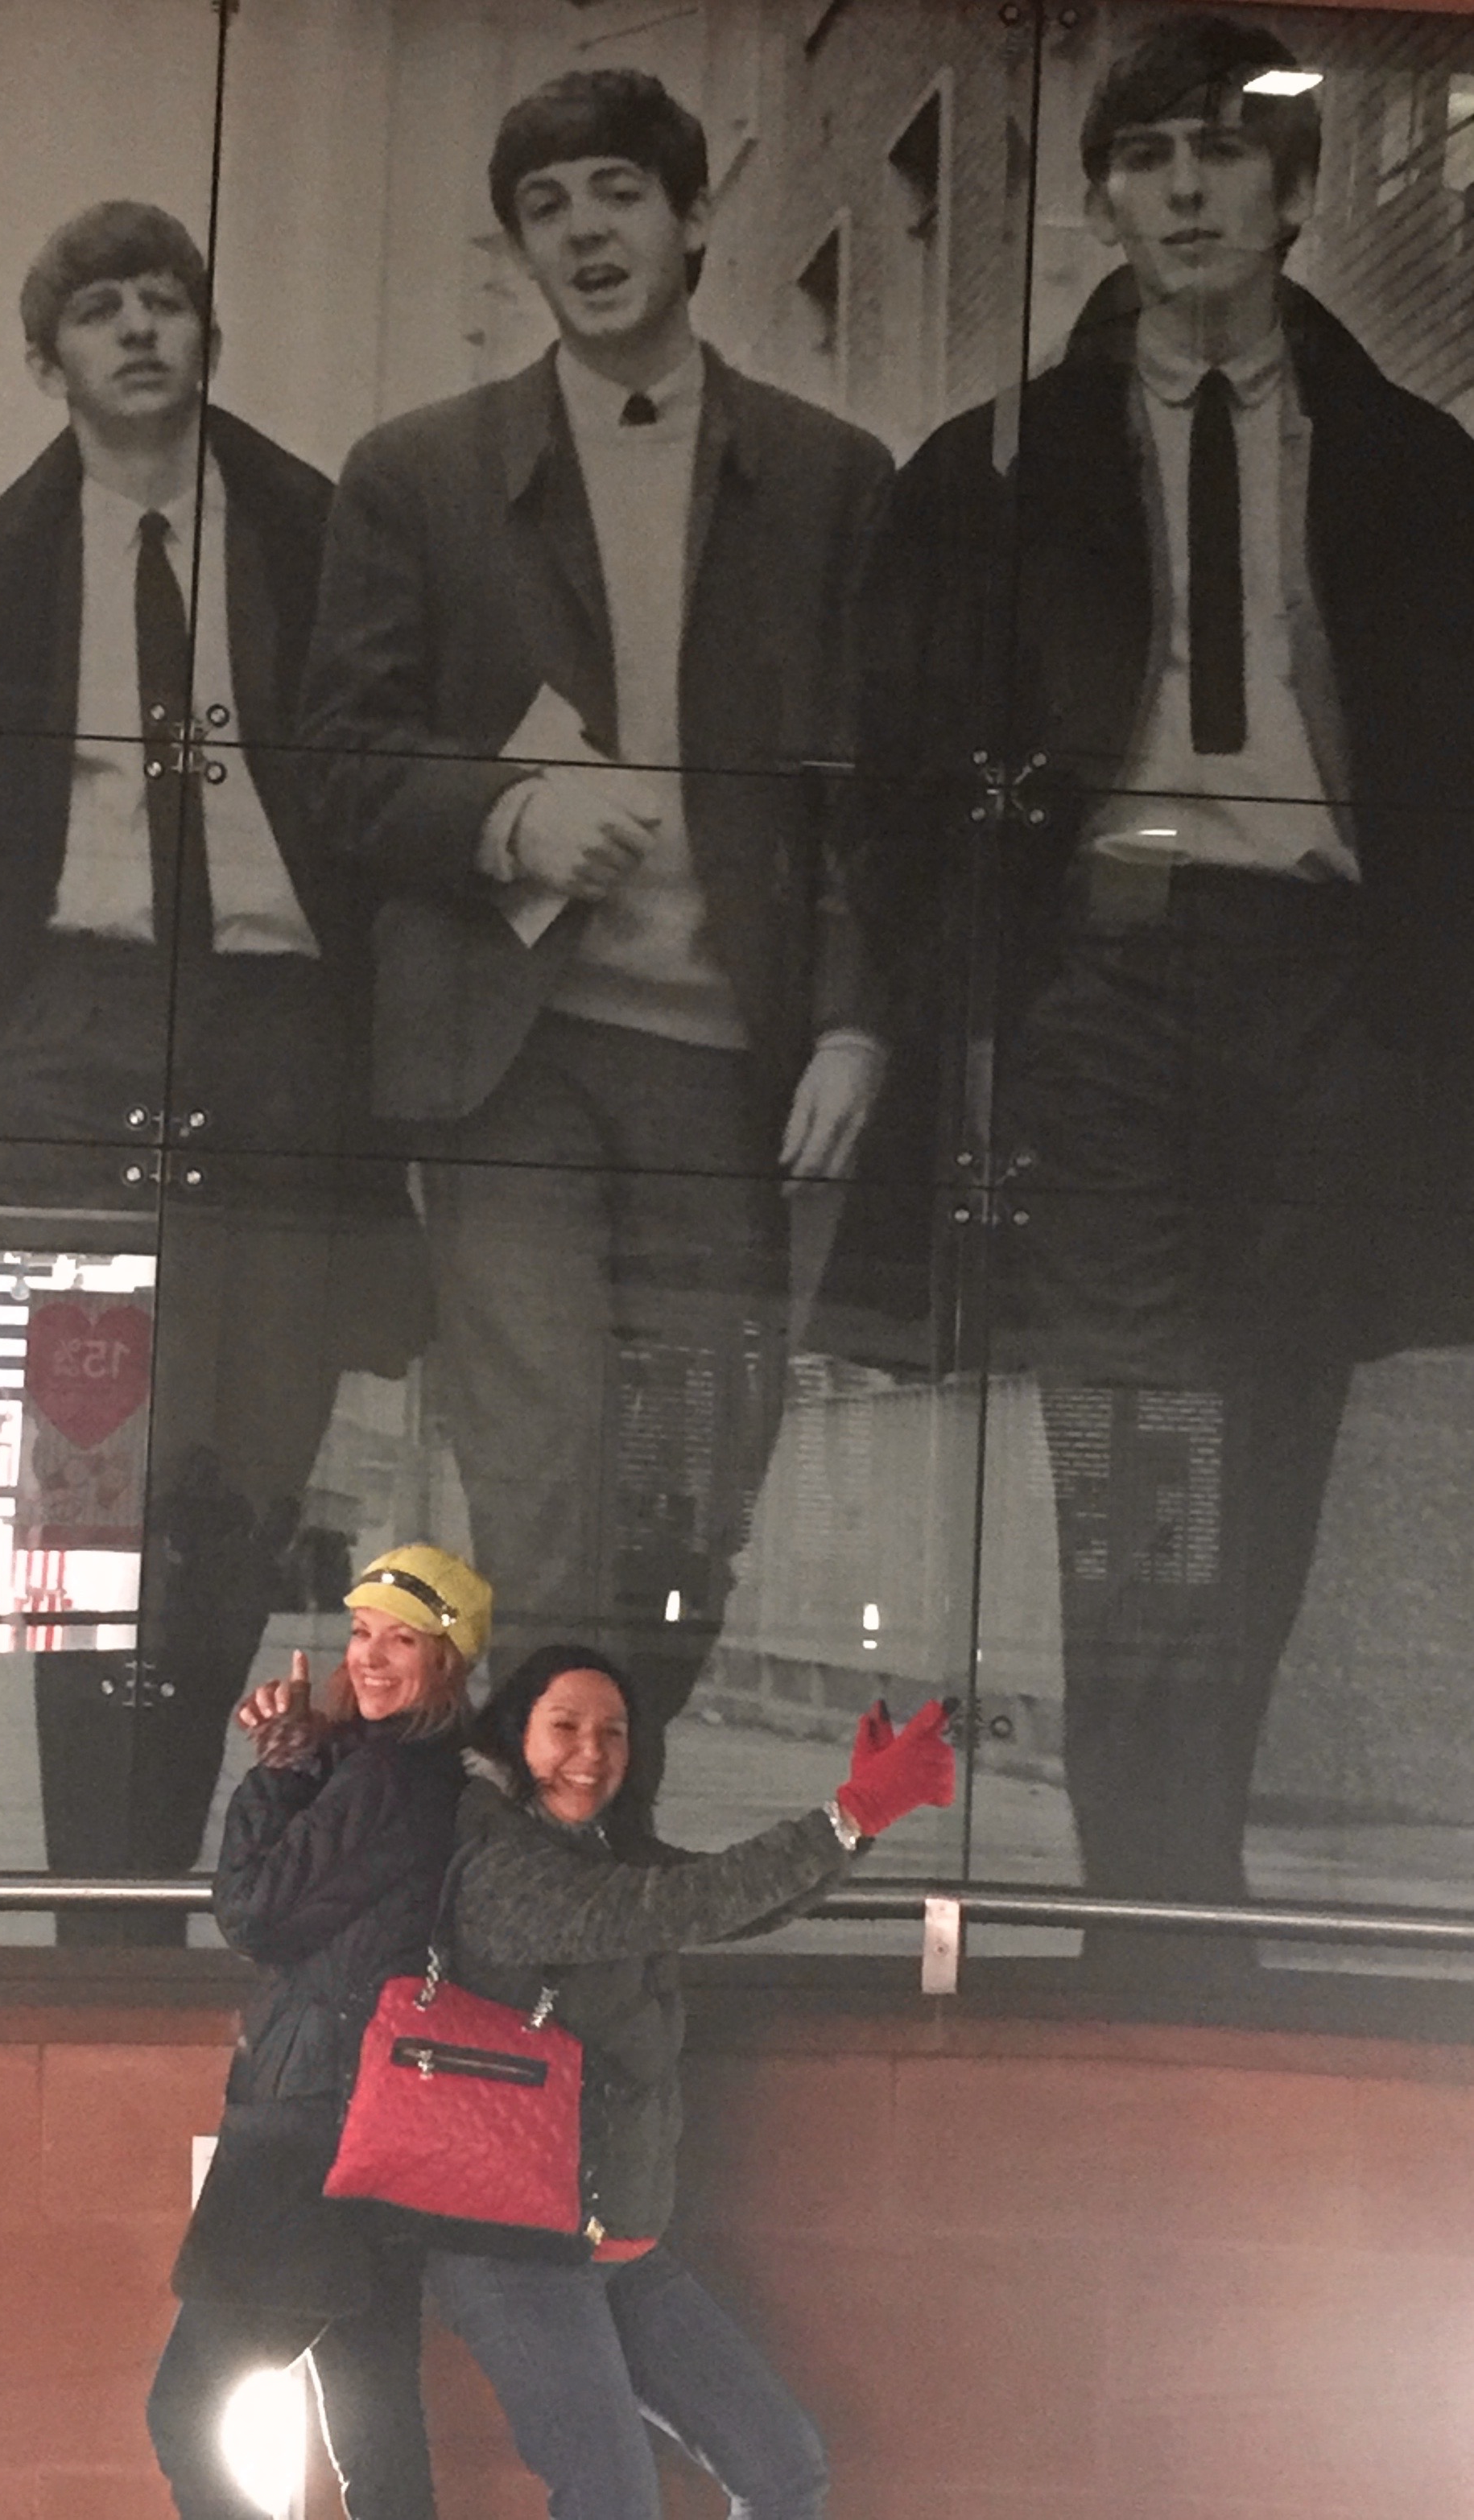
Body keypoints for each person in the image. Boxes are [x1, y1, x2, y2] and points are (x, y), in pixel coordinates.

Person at [817, 14, 1474, 1986]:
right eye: (1147, 158)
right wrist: (972, 990)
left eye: (1225, 152)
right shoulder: (990, 475)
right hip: (1100, 993)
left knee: (1265, 1439)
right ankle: (1159, 1911)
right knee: (1135, 1448)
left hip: (1328, 997)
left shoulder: (1421, 473)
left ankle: (1177, 1896)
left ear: (1295, 192)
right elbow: (890, 780)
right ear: (1103, 199)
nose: (1186, 189)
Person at [299, 69, 891, 1776]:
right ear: (519, 248)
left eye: (620, 191)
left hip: (731, 1069)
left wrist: (856, 1014)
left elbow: (874, 788)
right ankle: (554, 1861)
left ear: (695, 217)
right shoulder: (417, 474)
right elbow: (339, 756)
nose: (585, 231)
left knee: (691, 1508)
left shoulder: (831, 478)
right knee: (546, 1483)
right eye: (546, 207)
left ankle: (581, 1816)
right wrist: (508, 813)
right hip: (517, 1063)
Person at [0, 201, 423, 1938]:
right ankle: (92, 1903)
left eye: (164, 301)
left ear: (206, 336)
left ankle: (153, 1861)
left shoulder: (319, 535)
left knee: (239, 1486)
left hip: (280, 1035)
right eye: (99, 309)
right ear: (50, 360)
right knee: (83, 1499)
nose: (138, 331)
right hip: (70, 1032)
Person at [425, 1645, 952, 2518]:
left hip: (620, 2242)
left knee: (782, 2467)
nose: (591, 1752)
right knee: (612, 2498)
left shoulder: (605, 1850)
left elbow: (730, 1901)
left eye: (613, 1732)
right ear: (516, 1735)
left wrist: (858, 1823)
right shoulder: (499, 1864)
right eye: (564, 1727)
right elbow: (678, 1904)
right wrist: (848, 1813)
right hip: (513, 2251)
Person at [147, 1543, 493, 2520]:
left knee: (183, 2412)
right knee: (374, 2432)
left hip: (312, 2140)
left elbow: (253, 1910)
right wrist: (308, 1749)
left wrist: (280, 1768)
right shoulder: (408, 1768)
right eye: (362, 1632)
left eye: (403, 1640)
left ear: (449, 1659)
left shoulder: (389, 1778)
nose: (371, 1656)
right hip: (373, 2130)